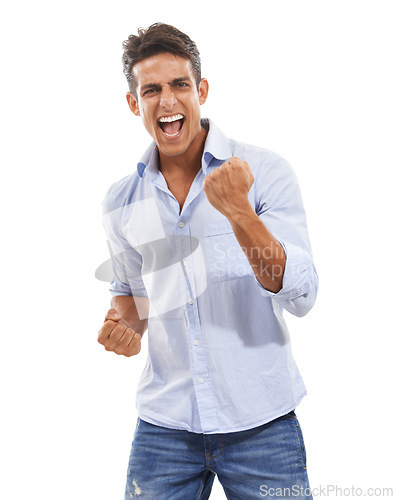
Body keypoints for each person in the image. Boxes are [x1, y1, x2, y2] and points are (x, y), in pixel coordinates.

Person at [98, 22, 318, 500]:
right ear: (135, 104)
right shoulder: (121, 201)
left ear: (201, 90)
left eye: (179, 85)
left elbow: (301, 294)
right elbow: (132, 299)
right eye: (151, 89)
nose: (168, 101)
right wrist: (123, 327)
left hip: (261, 421)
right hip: (165, 427)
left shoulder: (264, 171)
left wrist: (240, 212)